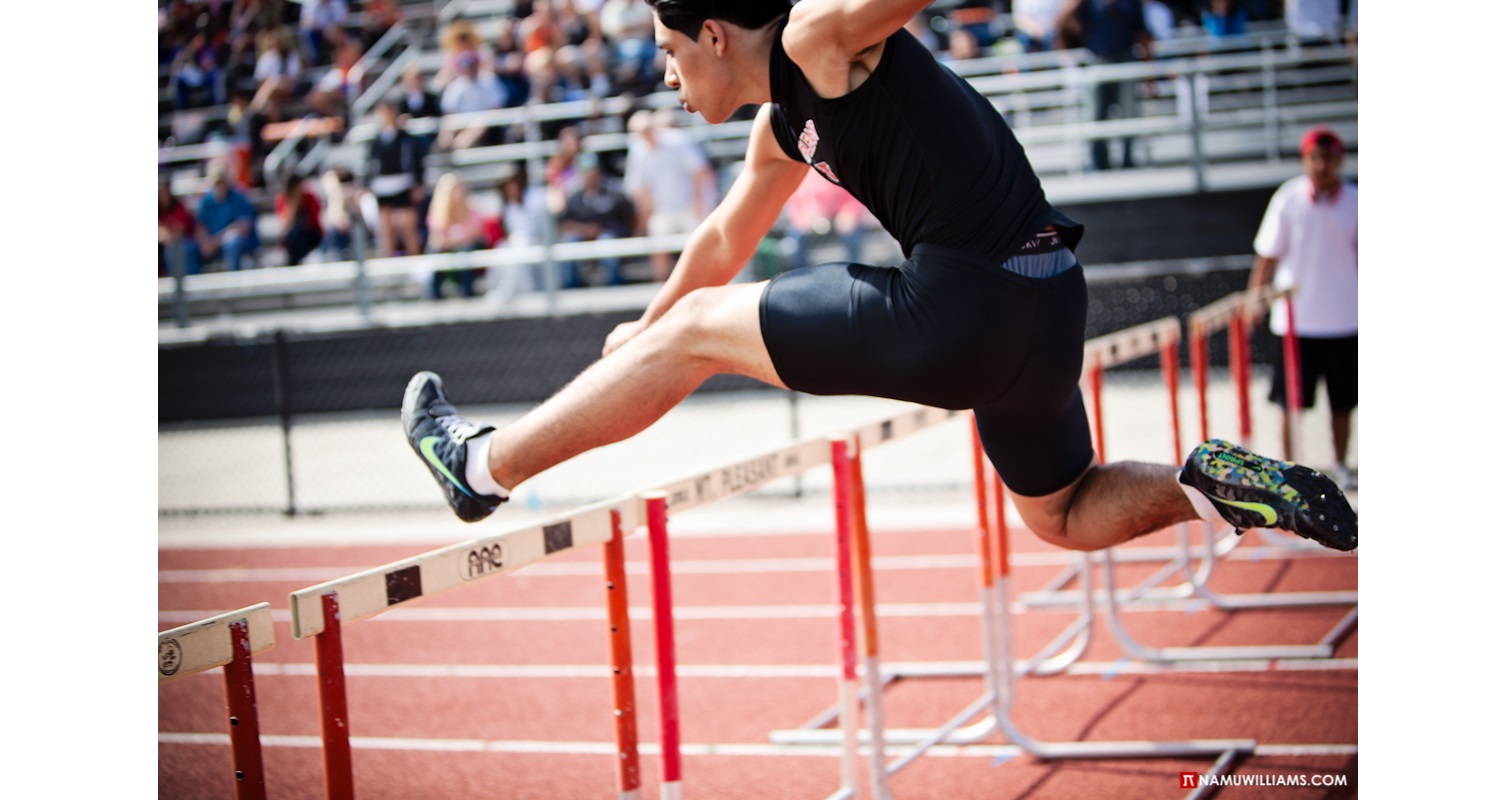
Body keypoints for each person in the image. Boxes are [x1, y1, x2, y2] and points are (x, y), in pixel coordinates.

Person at [401, 0, 1357, 558]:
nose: (662, 76)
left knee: (694, 331)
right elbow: (725, 237)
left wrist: (669, 333)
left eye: (665, 50)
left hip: (963, 306)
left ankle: (478, 466)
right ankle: (1208, 486)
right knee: (1061, 512)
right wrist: (644, 332)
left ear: (717, 35)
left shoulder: (817, 36)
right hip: (1045, 302)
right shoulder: (780, 126)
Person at [1246, 126, 1358, 489]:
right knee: (1290, 402)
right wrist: (1255, 299)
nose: (1322, 165)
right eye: (1315, 158)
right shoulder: (1288, 199)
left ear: (1340, 160)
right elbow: (1268, 255)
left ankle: (1340, 464)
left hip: (1344, 319)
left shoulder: (1356, 201)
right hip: (1295, 322)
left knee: (1343, 402)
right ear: (1305, 161)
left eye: (1328, 158)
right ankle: (1289, 472)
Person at [1057, 0, 1153, 171]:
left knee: (1129, 114)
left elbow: (1143, 36)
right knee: (1094, 116)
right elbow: (1065, 25)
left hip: (1125, 60)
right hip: (1098, 61)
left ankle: (1128, 163)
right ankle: (1098, 165)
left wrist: (1149, 75)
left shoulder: (1131, 4)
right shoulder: (1087, 4)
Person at [624, 109, 716, 281]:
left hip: (690, 205)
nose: (646, 134)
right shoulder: (637, 151)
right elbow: (639, 187)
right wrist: (647, 213)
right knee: (659, 247)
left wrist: (699, 202)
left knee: (701, 246)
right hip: (663, 209)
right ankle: (663, 287)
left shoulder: (677, 140)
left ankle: (708, 280)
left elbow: (700, 172)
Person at [557, 152, 636, 288]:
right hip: (583, 235)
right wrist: (586, 230)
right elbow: (565, 224)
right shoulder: (575, 195)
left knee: (607, 241)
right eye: (586, 173)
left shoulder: (614, 191)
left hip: (610, 234)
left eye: (592, 172)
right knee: (569, 241)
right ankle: (571, 286)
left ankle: (614, 284)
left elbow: (628, 217)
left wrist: (604, 228)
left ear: (599, 171)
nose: (590, 176)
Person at [365, 100, 426, 257]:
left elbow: (417, 162)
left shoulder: (406, 139)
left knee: (407, 225)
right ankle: (389, 261)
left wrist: (418, 183)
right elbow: (370, 165)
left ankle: (415, 260)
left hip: (403, 184)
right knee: (386, 228)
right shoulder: (376, 141)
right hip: (383, 186)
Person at [425, 172, 487, 299]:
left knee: (466, 250)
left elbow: (474, 233)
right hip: (449, 248)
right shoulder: (437, 212)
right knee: (434, 251)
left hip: (468, 248)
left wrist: (454, 239)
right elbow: (437, 239)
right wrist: (456, 239)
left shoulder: (471, 208)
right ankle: (434, 292)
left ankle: (468, 290)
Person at [196, 167, 260, 271]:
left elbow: (244, 225)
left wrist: (215, 242)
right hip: (212, 246)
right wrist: (205, 243)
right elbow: (200, 225)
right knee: (188, 248)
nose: (220, 186)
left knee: (233, 242)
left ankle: (233, 280)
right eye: (217, 183)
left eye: (222, 182)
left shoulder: (238, 197)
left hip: (236, 244)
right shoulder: (206, 202)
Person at [274, 173, 325, 266]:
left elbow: (314, 222)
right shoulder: (282, 199)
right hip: (292, 238)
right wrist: (293, 203)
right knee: (294, 233)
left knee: (299, 232)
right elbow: (285, 226)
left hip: (311, 235)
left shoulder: (310, 197)